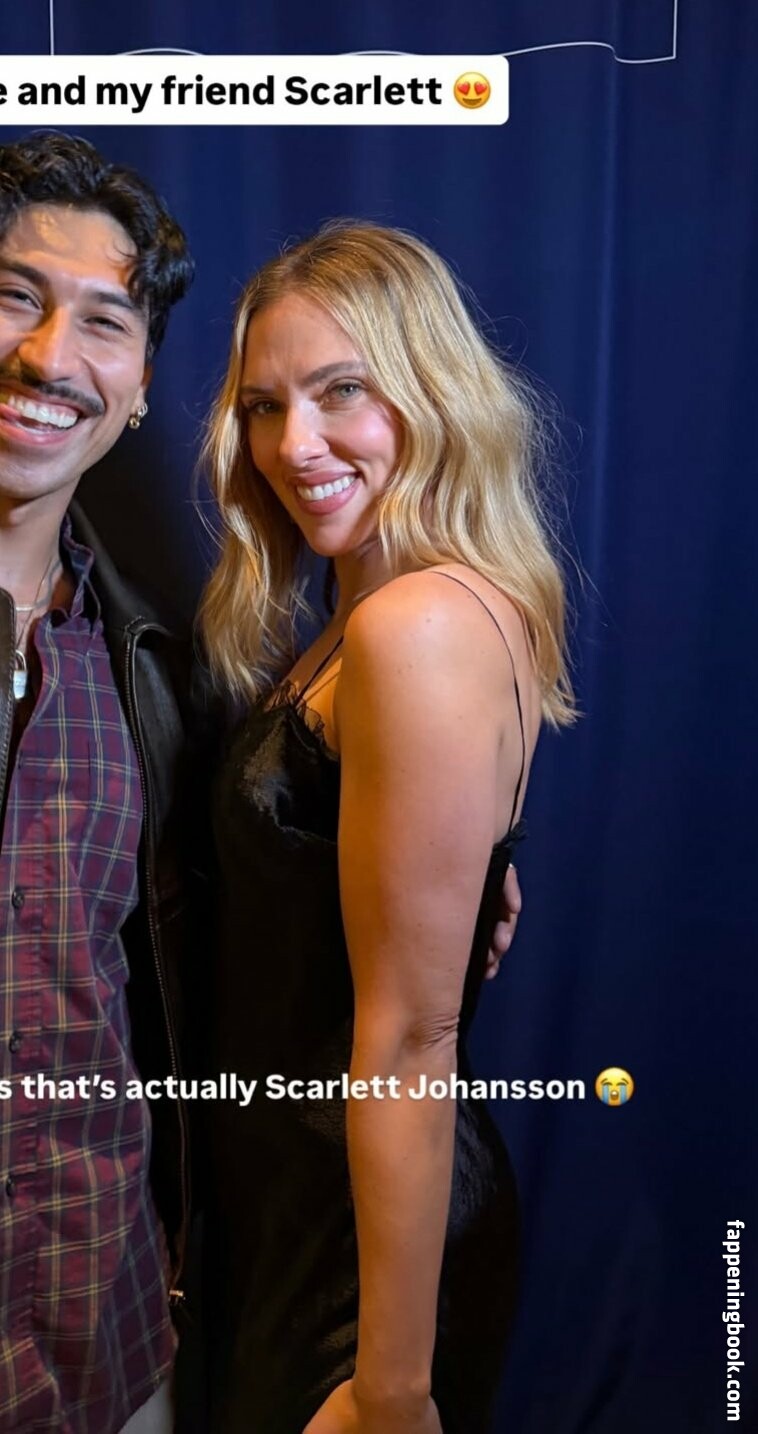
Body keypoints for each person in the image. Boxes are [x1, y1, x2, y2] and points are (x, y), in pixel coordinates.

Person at [199, 223, 574, 1434]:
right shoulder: (386, 605)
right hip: (312, 1208)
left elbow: (413, 1036)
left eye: (340, 392)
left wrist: (392, 1390)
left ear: (430, 390)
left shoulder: (414, 625)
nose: (292, 446)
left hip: (364, 1264)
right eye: (264, 407)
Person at [0, 132, 195, 1434]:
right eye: (14, 295)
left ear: (136, 390)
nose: (49, 355)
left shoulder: (149, 665)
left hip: (107, 1345)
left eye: (103, 322)